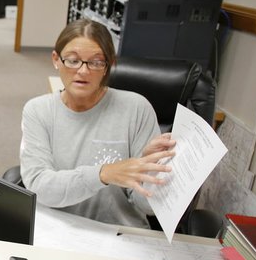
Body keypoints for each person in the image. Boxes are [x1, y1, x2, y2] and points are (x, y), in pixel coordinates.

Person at [19, 19, 175, 228]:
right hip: (55, 231)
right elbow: (40, 187)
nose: (83, 71)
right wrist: (103, 174)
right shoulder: (38, 111)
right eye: (73, 60)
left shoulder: (137, 108)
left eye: (95, 62)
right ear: (56, 59)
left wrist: (148, 172)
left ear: (108, 66)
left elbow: (149, 207)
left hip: (119, 234)